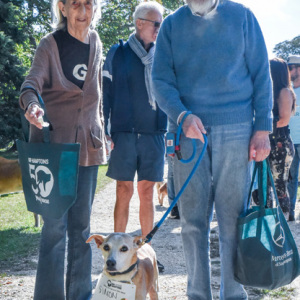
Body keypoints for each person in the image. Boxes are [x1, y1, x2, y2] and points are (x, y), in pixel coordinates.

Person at [152, 0, 272, 299]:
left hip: (237, 128)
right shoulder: (170, 25)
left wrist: (263, 128)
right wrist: (182, 116)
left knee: (233, 217)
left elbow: (261, 74)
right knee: (193, 222)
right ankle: (198, 295)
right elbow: (160, 80)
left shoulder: (242, 16)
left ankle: (233, 294)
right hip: (189, 131)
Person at [19, 1, 105, 299]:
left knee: (82, 230)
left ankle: (80, 295)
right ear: (63, 8)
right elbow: (31, 84)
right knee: (54, 230)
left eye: (88, 4)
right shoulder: (50, 44)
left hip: (88, 149)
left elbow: (95, 94)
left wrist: (103, 129)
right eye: (75, 4)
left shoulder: (95, 41)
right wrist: (32, 105)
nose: (83, 10)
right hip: (56, 150)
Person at [103, 2, 167, 271]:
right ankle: (117, 255)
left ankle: (146, 253)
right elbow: (106, 92)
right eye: (156, 24)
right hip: (124, 133)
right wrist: (108, 131)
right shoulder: (118, 52)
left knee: (147, 191)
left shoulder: (164, 54)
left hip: (154, 133)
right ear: (140, 23)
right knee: (123, 189)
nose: (159, 29)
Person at [268, 58, 296, 217]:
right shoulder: (271, 91)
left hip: (280, 145)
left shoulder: (284, 91)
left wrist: (260, 125)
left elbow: (283, 119)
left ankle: (283, 223)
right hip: (270, 142)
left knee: (279, 186)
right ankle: (268, 222)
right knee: (264, 186)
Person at [287, 55, 300, 221]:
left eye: (297, 66)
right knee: (290, 179)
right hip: (290, 141)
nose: (294, 70)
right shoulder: (286, 91)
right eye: (291, 67)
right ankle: (290, 212)